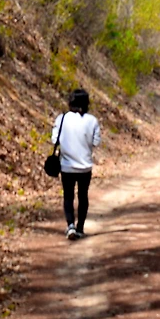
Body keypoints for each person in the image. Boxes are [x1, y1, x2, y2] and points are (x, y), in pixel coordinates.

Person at [50, 86, 101, 239]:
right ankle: (80, 228)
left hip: (67, 166)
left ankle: (70, 225)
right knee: (83, 196)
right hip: (85, 167)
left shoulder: (62, 118)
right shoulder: (92, 121)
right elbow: (96, 142)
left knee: (68, 196)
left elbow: (54, 139)